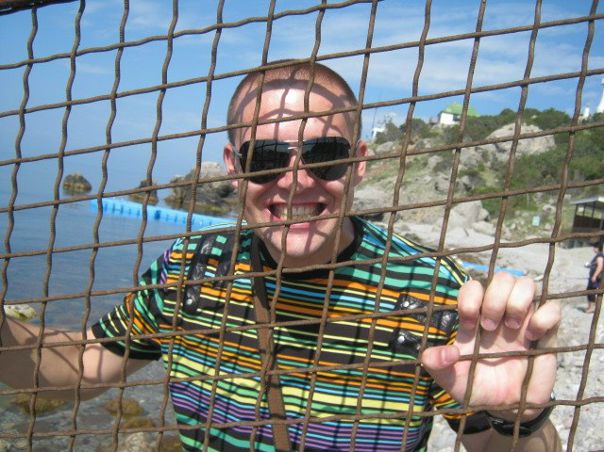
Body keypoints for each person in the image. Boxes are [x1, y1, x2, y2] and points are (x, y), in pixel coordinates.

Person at [1, 61, 562, 452]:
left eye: (325, 155)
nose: (295, 182)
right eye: (267, 158)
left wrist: (519, 416)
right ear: (234, 166)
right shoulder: (191, 269)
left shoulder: (432, 293)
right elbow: (84, 367)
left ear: (359, 162)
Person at [584, 240, 603, 313]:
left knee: (591, 291)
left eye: (594, 247)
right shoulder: (598, 255)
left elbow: (600, 266)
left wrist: (594, 276)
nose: (593, 248)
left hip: (596, 277)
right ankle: (590, 306)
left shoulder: (600, 256)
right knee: (589, 290)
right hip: (593, 277)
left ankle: (592, 307)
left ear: (597, 248)